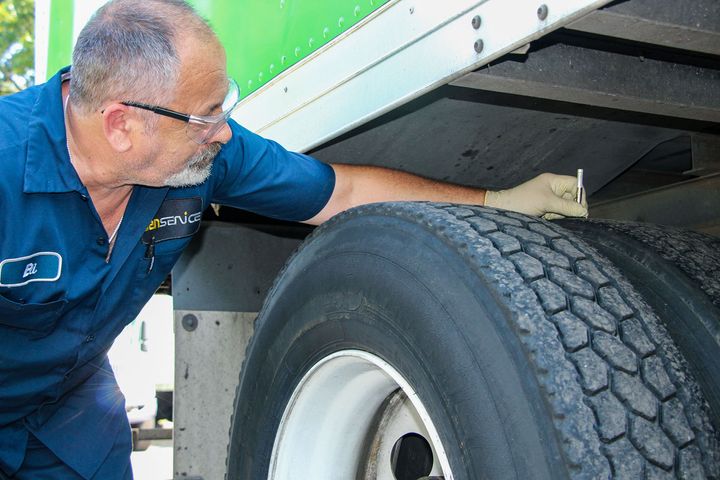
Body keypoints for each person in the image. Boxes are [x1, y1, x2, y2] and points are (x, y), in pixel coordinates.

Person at [0, 0, 588, 478]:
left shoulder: (207, 156)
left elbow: (346, 192)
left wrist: (494, 203)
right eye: (205, 114)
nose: (223, 130)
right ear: (122, 124)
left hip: (73, 414)